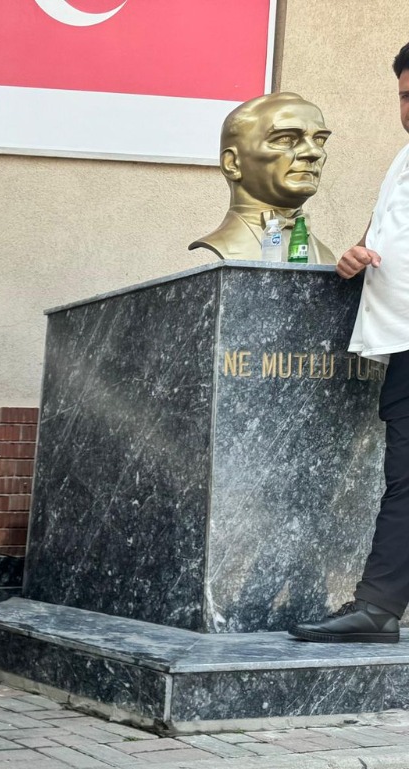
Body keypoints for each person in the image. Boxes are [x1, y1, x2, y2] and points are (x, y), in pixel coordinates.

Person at [292, 46, 409, 644]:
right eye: (404, 96)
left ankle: (378, 607)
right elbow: (380, 233)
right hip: (399, 341)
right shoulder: (403, 159)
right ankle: (379, 606)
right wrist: (353, 254)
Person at [189, 92, 334, 264]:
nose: (314, 152)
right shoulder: (226, 245)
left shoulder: (326, 257)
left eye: (319, 140)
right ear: (232, 164)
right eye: (286, 139)